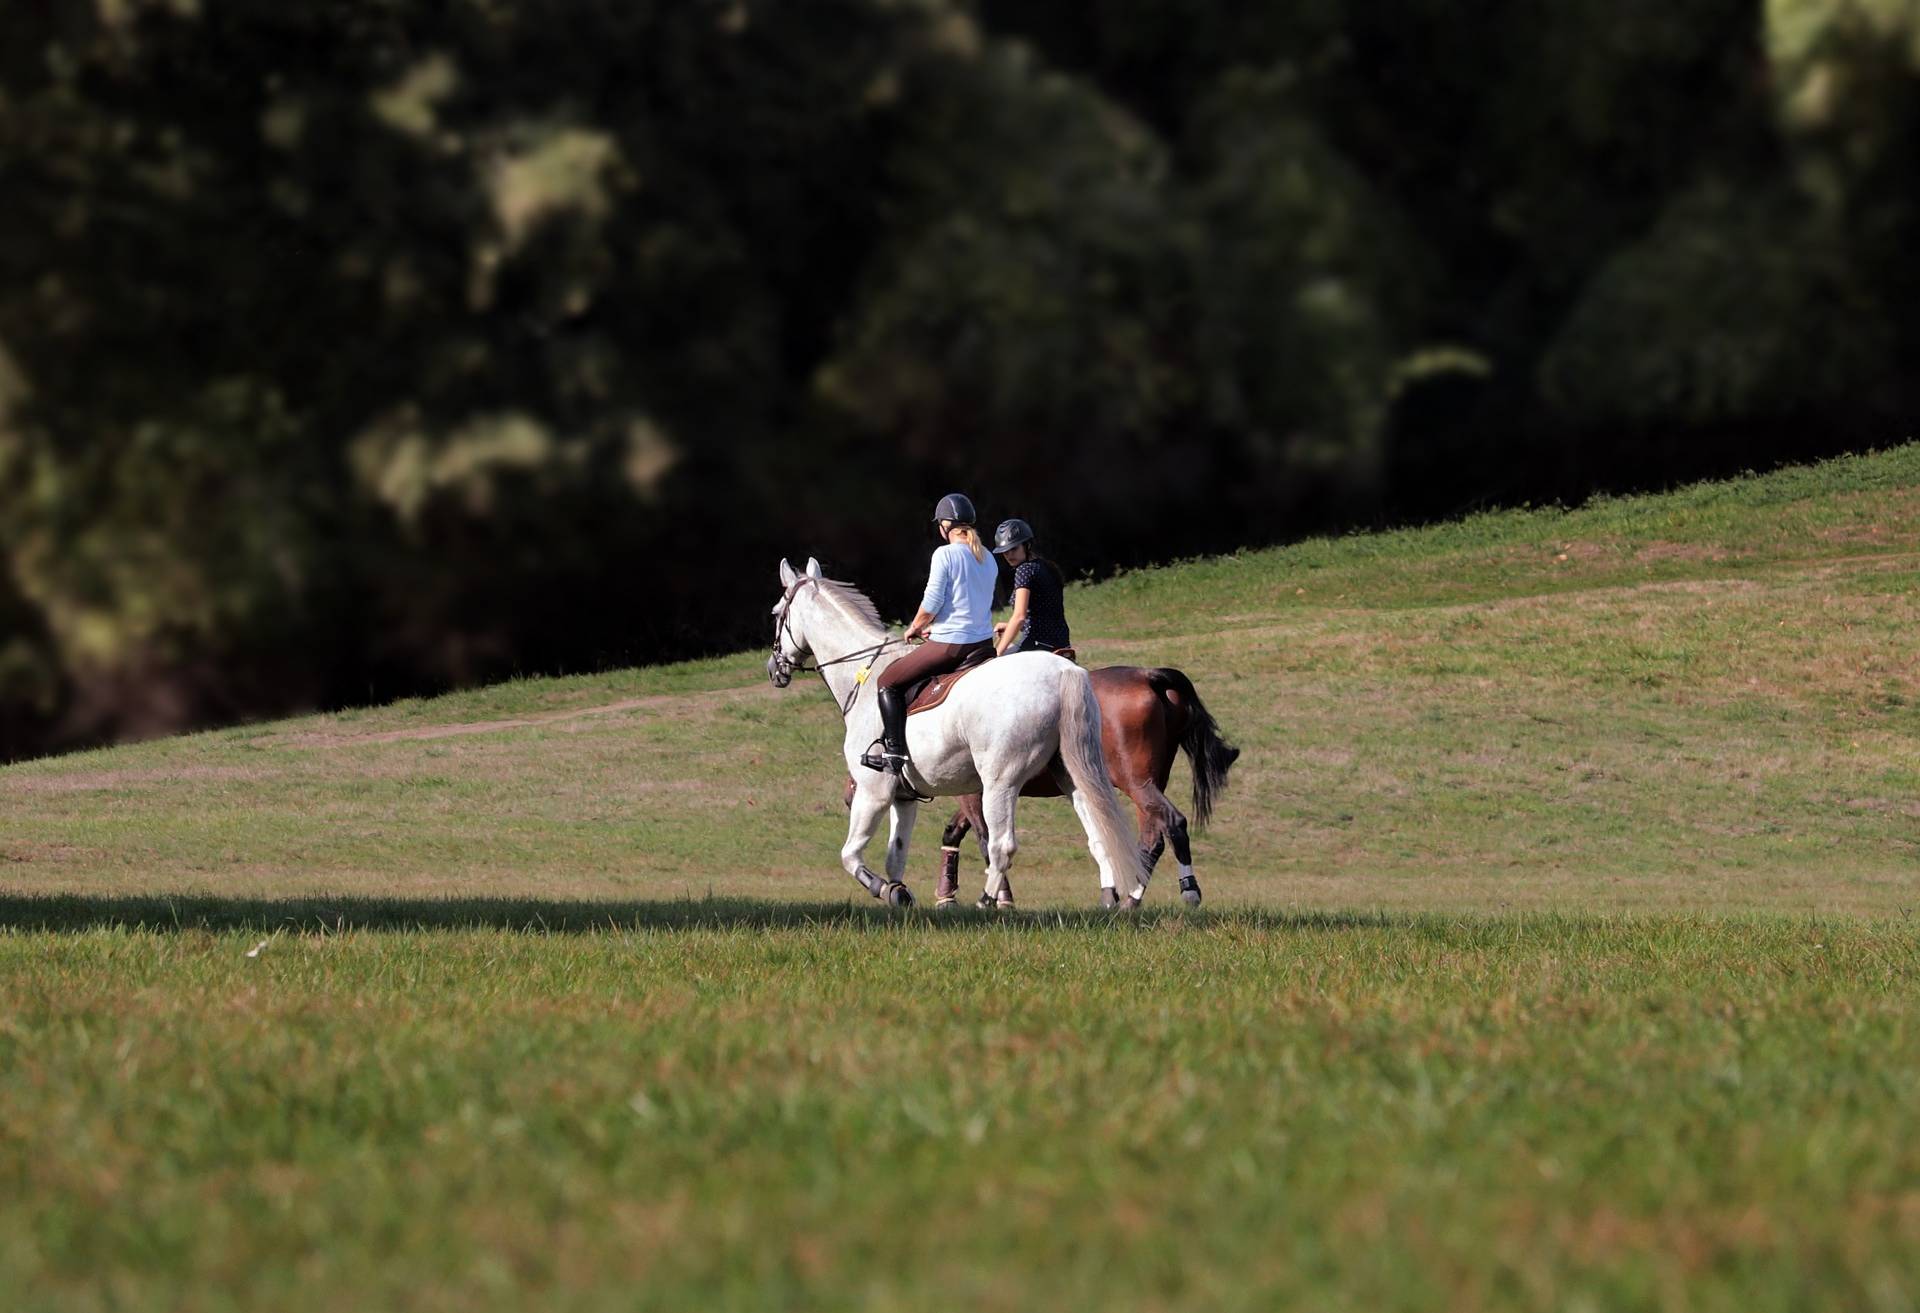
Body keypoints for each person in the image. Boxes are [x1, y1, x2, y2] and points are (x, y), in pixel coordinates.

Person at [861, 493, 999, 778]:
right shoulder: (988, 557)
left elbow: (932, 602)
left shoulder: (945, 554)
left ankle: (894, 753)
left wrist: (915, 626)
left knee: (887, 681)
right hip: (984, 645)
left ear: (945, 526)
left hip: (952, 646)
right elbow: (970, 602)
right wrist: (935, 625)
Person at [991, 518, 1072, 658]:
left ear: (1027, 545)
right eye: (1005, 552)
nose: (1009, 555)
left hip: (1037, 646)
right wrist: (1009, 626)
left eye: (1013, 548)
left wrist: (997, 653)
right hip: (1062, 645)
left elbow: (1019, 616)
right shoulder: (1047, 567)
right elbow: (1044, 615)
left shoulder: (1024, 570)